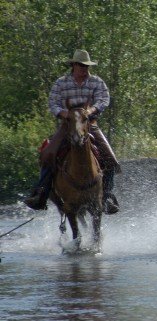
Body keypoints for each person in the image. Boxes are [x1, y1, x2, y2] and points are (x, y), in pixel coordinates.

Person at [24, 49, 121, 214]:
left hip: (90, 124)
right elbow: (53, 103)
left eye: (86, 66)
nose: (84, 69)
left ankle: (106, 196)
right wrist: (65, 114)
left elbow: (104, 99)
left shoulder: (97, 82)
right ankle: (41, 192)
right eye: (81, 65)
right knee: (48, 154)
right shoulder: (61, 83)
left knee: (111, 158)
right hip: (67, 125)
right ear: (73, 65)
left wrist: (89, 111)